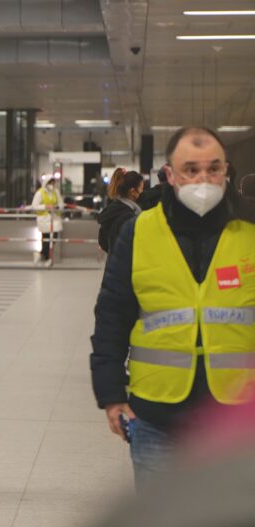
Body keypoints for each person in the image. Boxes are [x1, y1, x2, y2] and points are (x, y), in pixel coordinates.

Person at [90, 126, 255, 489]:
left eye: (213, 168)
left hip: (238, 420)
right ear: (170, 174)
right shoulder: (139, 231)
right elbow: (112, 316)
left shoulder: (249, 233)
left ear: (226, 170)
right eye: (191, 169)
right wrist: (111, 395)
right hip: (156, 418)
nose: (203, 179)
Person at [97, 168, 145, 253]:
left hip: (112, 262)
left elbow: (102, 242)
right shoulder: (129, 216)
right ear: (133, 191)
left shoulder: (113, 210)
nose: (142, 192)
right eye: (141, 188)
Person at [30, 178, 63, 265]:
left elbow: (61, 203)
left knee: (54, 238)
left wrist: (57, 207)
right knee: (46, 239)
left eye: (53, 183)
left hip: (54, 219)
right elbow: (34, 206)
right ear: (46, 183)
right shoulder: (40, 193)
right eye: (50, 183)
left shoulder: (56, 192)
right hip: (44, 219)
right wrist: (45, 206)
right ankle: (47, 258)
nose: (52, 185)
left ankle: (41, 254)